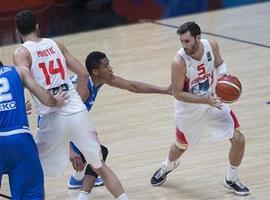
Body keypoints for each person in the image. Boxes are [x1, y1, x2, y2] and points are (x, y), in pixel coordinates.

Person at [13, 9, 128, 200]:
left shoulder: (21, 52)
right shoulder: (55, 44)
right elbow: (83, 73)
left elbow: (25, 81)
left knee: (31, 166)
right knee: (99, 165)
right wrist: (80, 98)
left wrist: (49, 100)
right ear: (37, 26)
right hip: (77, 111)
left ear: (18, 30)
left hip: (51, 116)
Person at [150, 22, 250, 196]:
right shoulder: (179, 61)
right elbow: (178, 93)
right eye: (182, 41)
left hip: (213, 101)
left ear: (198, 37)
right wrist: (205, 100)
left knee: (239, 139)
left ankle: (231, 178)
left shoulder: (211, 46)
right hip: (189, 109)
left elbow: (219, 64)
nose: (184, 45)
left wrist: (223, 78)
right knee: (181, 146)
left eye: (187, 41)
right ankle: (167, 166)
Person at [67, 51, 171, 199]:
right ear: (95, 72)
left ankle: (76, 179)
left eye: (109, 64)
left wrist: (165, 90)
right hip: (56, 129)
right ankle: (82, 192)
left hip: (73, 125)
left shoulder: (101, 79)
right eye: (106, 66)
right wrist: (70, 150)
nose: (111, 68)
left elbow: (131, 86)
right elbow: (62, 121)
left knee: (97, 153)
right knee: (97, 154)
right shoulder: (83, 91)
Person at [0, 61, 67, 199]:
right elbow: (45, 98)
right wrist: (57, 101)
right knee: (31, 195)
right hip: (20, 140)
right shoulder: (18, 71)